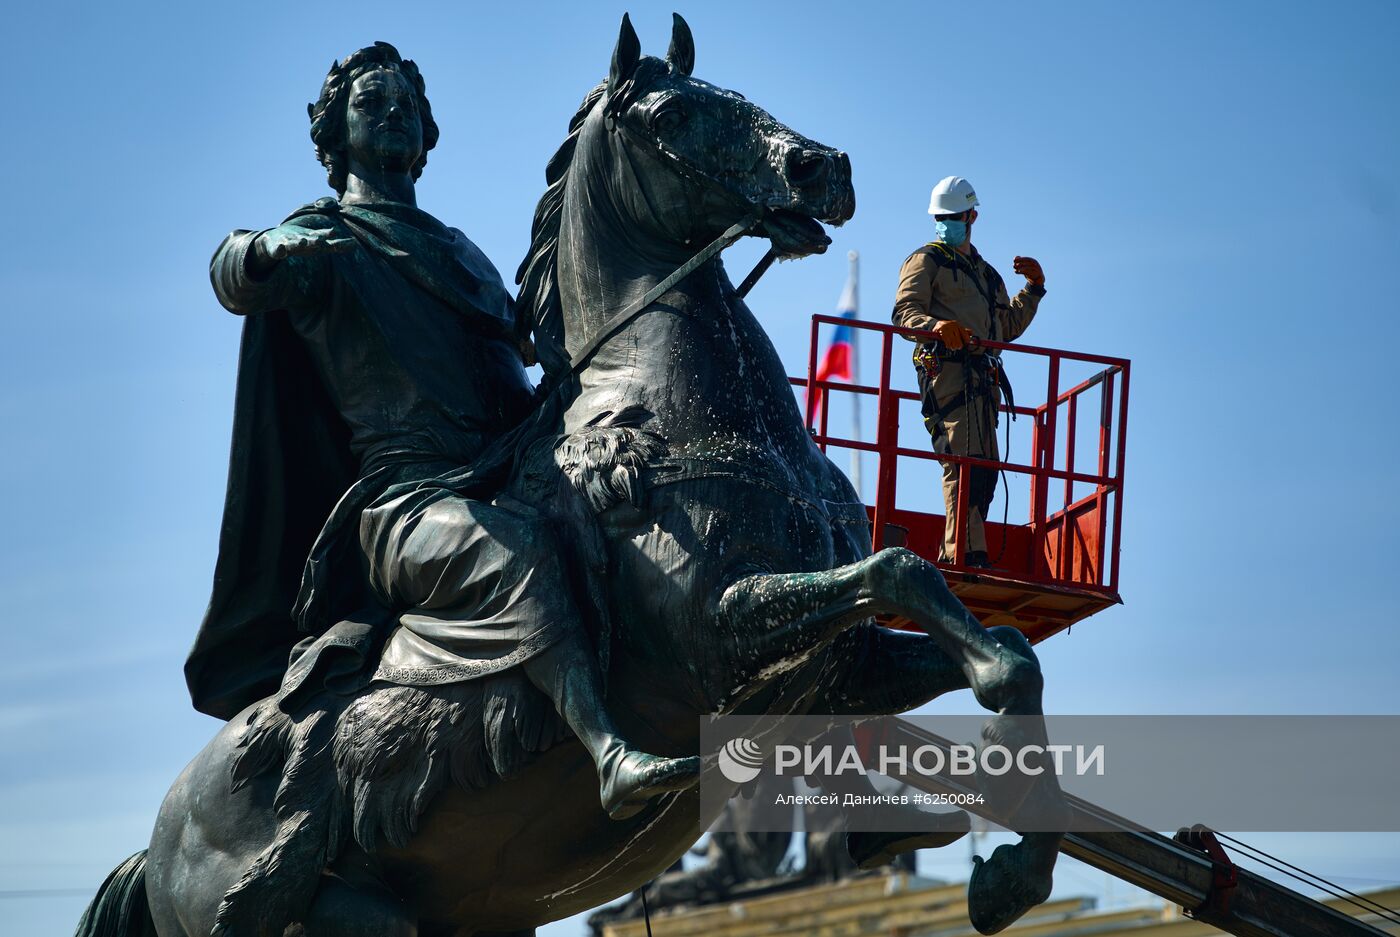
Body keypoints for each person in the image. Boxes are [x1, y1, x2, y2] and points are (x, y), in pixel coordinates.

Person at [187, 42, 698, 820]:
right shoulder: (323, 240)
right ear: (333, 135)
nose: (394, 111)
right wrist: (261, 249)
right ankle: (608, 752)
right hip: (406, 502)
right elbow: (233, 270)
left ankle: (819, 786)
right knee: (517, 555)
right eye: (371, 102)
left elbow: (528, 363)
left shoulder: (466, 256)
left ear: (427, 136)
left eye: (408, 105)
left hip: (504, 470)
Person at [891, 176, 1046, 567]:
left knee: (984, 472)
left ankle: (963, 550)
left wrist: (1034, 288)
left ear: (971, 216)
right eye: (939, 217)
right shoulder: (925, 261)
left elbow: (1004, 327)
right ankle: (963, 554)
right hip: (942, 371)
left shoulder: (986, 275)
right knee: (960, 463)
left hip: (983, 380)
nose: (945, 223)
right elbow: (904, 314)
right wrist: (935, 327)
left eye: (953, 216)